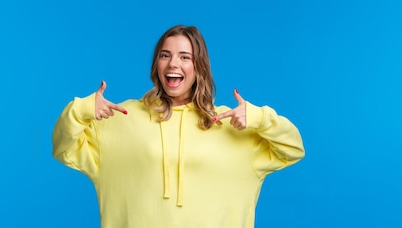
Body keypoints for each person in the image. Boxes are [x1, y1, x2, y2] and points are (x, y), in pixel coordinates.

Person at [52, 25, 305, 228]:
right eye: (165, 55)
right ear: (157, 65)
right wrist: (82, 110)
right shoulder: (120, 118)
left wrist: (259, 118)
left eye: (185, 57)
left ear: (199, 67)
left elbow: (293, 148)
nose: (173, 64)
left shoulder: (232, 124)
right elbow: (63, 148)